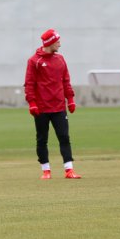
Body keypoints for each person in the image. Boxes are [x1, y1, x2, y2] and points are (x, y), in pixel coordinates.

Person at [24, 29, 81, 179]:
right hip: (41, 108)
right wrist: (32, 103)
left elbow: (66, 81)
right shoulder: (34, 61)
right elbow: (29, 84)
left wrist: (71, 99)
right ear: (50, 43)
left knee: (64, 136)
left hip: (59, 107)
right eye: (57, 41)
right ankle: (46, 170)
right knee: (42, 138)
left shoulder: (60, 59)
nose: (60, 44)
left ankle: (69, 170)